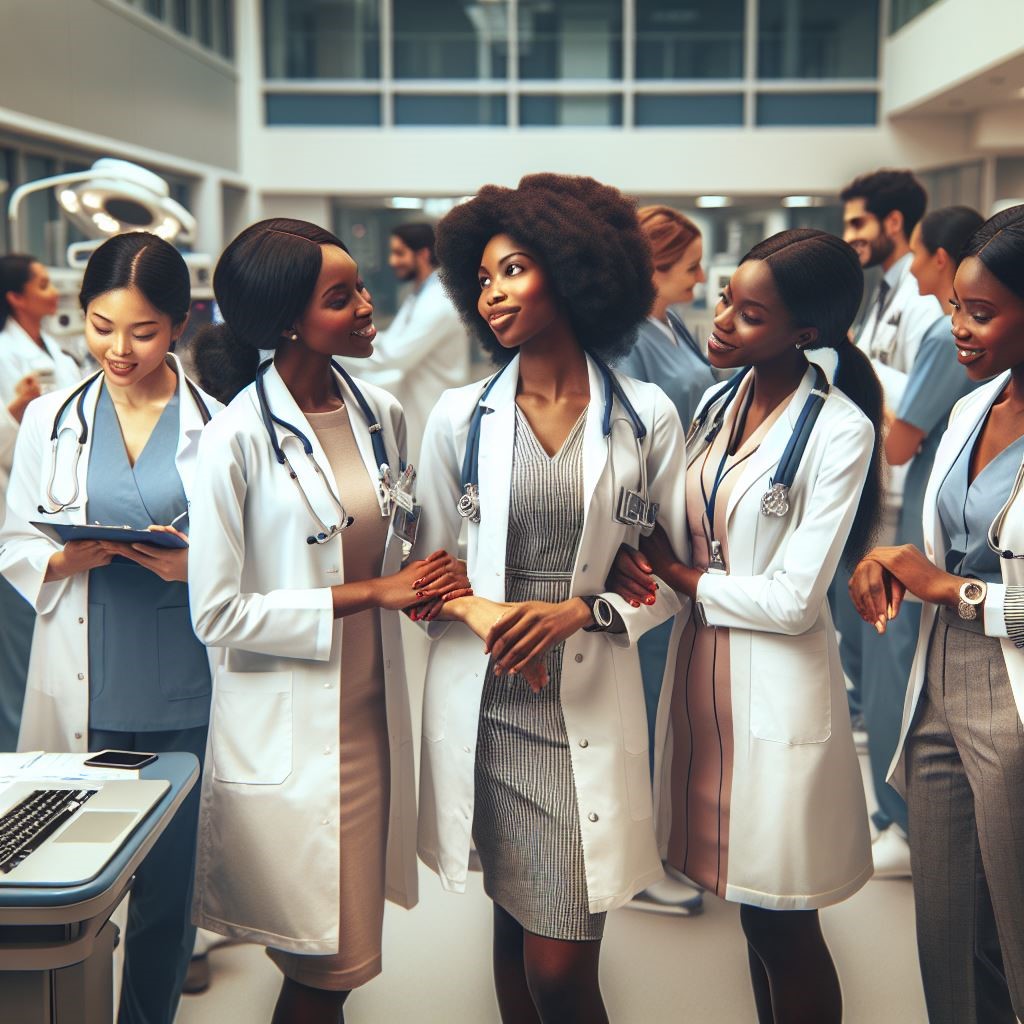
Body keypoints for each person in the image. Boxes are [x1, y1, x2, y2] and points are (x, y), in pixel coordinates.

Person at [410, 174, 689, 1024]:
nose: (492, 294)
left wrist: (588, 608)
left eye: (515, 270)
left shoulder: (645, 418)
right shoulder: (460, 419)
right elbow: (426, 576)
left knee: (562, 970)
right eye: (483, 278)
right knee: (514, 925)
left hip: (580, 714)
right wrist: (473, 607)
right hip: (487, 708)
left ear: (574, 270)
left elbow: (670, 581)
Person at [187, 218, 468, 1024]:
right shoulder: (237, 438)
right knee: (325, 970)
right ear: (284, 324)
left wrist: (431, 575)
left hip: (371, 716)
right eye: (340, 298)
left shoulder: (378, 412)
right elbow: (218, 612)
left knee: (335, 963)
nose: (368, 308)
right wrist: (371, 596)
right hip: (291, 731)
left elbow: (400, 537)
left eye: (362, 289)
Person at [610, 229, 882, 1024]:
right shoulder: (716, 404)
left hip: (775, 700)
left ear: (805, 334)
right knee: (748, 911)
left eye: (749, 314)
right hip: (703, 689)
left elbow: (797, 600)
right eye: (726, 297)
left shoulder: (840, 431)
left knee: (781, 917)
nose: (720, 319)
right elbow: (674, 540)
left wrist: (684, 576)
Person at [0, 232, 222, 1024]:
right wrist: (65, 560)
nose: (118, 350)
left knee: (170, 896)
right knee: (73, 888)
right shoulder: (49, 419)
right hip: (85, 676)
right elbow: (13, 541)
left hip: (186, 685)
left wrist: (195, 564)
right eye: (100, 326)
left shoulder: (221, 428)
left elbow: (254, 561)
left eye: (142, 331)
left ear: (179, 325)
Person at [849, 204, 1024, 1024]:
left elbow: (957, 577)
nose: (957, 328)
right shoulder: (972, 408)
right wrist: (897, 564)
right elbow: (945, 543)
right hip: (940, 691)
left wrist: (955, 590)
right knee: (948, 941)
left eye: (980, 313)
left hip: (1013, 694)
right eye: (955, 305)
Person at [865, 205, 983, 879]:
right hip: (925, 525)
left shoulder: (944, 338)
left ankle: (903, 822)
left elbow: (902, 440)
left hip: (925, 536)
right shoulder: (960, 357)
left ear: (939, 256)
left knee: (900, 669)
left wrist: (871, 396)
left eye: (915, 251)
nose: (909, 264)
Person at [615, 205, 717, 916]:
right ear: (653, 269)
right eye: (690, 266)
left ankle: (664, 837)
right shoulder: (628, 342)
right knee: (644, 700)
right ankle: (638, 858)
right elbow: (625, 451)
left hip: (685, 528)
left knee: (669, 697)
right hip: (649, 540)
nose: (702, 277)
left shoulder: (673, 326)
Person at [835, 169, 941, 777]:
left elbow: (910, 415)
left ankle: (901, 813)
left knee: (889, 662)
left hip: (899, 500)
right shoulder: (882, 294)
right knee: (868, 660)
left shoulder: (922, 306)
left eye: (858, 223)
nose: (850, 236)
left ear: (893, 223)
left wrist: (864, 368)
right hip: (875, 492)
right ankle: (892, 812)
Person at [0, 255, 83, 750]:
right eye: (44, 283)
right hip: (15, 514)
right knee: (17, 656)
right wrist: (15, 413)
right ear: (16, 296)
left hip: (60, 514)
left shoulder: (62, 352)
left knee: (51, 649)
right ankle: (12, 763)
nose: (54, 292)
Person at [340, 222, 470, 461]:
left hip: (431, 406)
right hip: (417, 402)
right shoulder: (419, 294)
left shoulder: (439, 301)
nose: (392, 261)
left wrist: (334, 347)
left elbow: (393, 357)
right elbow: (393, 341)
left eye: (399, 253)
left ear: (423, 254)